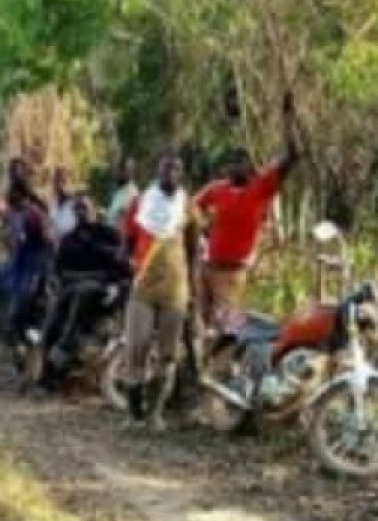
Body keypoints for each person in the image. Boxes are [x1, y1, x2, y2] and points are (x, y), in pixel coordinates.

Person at [193, 95, 298, 330]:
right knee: (200, 326)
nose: (234, 165)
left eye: (241, 161)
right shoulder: (217, 189)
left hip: (233, 272)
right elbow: (190, 209)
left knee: (228, 330)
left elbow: (291, 158)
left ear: (251, 168)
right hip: (208, 268)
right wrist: (200, 234)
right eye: (232, 161)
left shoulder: (259, 189)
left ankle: (227, 364)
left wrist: (288, 121)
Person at [120, 152, 196, 428]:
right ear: (157, 172)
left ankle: (155, 413)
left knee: (168, 353)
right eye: (166, 170)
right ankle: (133, 413)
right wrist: (128, 266)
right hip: (143, 285)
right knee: (136, 346)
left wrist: (194, 288)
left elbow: (193, 248)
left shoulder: (187, 206)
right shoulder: (140, 203)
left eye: (177, 170)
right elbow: (126, 241)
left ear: (182, 174)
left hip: (175, 288)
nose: (171, 175)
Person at [34, 194, 130, 385]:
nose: (81, 212)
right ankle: (47, 367)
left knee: (81, 292)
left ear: (94, 209)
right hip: (70, 285)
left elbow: (120, 262)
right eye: (77, 208)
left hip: (103, 286)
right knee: (54, 314)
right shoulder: (69, 239)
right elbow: (59, 270)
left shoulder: (108, 233)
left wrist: (95, 247)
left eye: (85, 207)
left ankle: (66, 344)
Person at [0, 166, 53, 341]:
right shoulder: (12, 214)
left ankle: (25, 327)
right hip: (17, 260)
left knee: (25, 293)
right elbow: (9, 238)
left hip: (33, 259)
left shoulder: (33, 214)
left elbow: (47, 240)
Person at [106, 158, 140, 227]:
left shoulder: (132, 194)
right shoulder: (119, 191)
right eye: (114, 170)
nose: (114, 174)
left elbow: (123, 222)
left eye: (116, 170)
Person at [50, 167, 80, 240]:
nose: (61, 185)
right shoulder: (51, 201)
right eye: (58, 181)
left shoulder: (75, 201)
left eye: (64, 181)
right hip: (55, 241)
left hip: (73, 239)